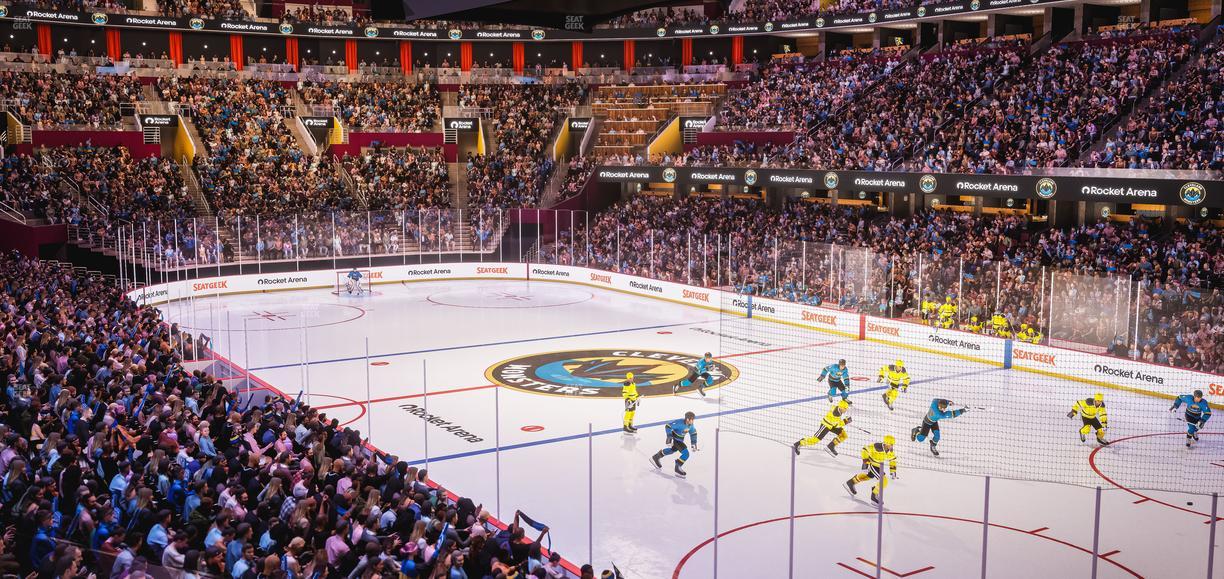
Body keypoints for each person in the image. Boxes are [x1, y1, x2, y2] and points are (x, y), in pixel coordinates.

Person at [844, 436, 897, 505]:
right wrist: (865, 461)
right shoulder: (877, 446)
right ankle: (874, 496)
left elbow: (892, 459)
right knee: (884, 481)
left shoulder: (890, 451)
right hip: (872, 464)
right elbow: (864, 449)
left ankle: (850, 483)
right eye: (890, 444)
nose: (891, 446)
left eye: (892, 444)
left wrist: (893, 471)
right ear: (886, 443)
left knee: (868, 476)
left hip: (878, 466)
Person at [650, 411, 698, 478]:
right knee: (686, 454)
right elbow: (668, 426)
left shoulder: (691, 425)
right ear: (687, 419)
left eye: (693, 419)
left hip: (680, 440)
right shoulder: (679, 423)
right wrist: (669, 437)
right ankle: (677, 467)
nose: (692, 421)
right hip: (676, 440)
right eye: (691, 419)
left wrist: (693, 443)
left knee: (672, 450)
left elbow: (693, 433)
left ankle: (656, 457)